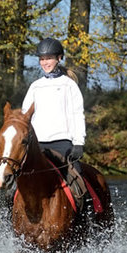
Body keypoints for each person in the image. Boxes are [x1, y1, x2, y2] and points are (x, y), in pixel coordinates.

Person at [22, 37, 86, 175]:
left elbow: (77, 114)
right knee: (18, 177)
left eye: (49, 58)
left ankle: (85, 197)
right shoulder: (35, 86)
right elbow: (25, 115)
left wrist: (79, 142)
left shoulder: (69, 85)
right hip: (37, 144)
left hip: (62, 143)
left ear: (59, 58)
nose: (45, 63)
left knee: (77, 176)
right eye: (42, 59)